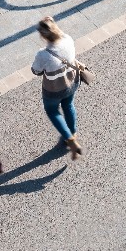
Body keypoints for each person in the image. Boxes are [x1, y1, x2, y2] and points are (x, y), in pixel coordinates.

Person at [31, 17, 84, 160]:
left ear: (42, 36)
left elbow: (36, 71)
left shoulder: (43, 54)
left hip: (53, 90)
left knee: (52, 111)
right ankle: (72, 132)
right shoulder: (68, 39)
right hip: (72, 82)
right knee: (68, 105)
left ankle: (70, 140)